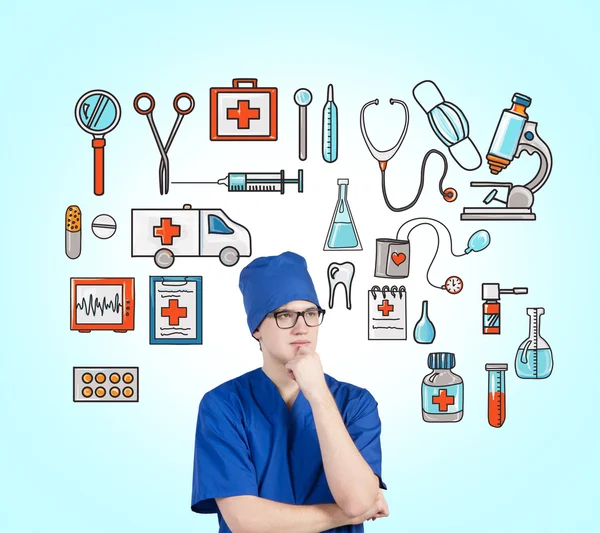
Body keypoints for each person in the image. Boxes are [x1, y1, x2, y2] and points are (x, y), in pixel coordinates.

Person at [191, 251, 389, 532]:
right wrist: (344, 516)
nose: (301, 327)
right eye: (285, 315)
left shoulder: (355, 404)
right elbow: (246, 522)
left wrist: (319, 394)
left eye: (310, 313)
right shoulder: (224, 405)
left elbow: (357, 500)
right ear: (257, 327)